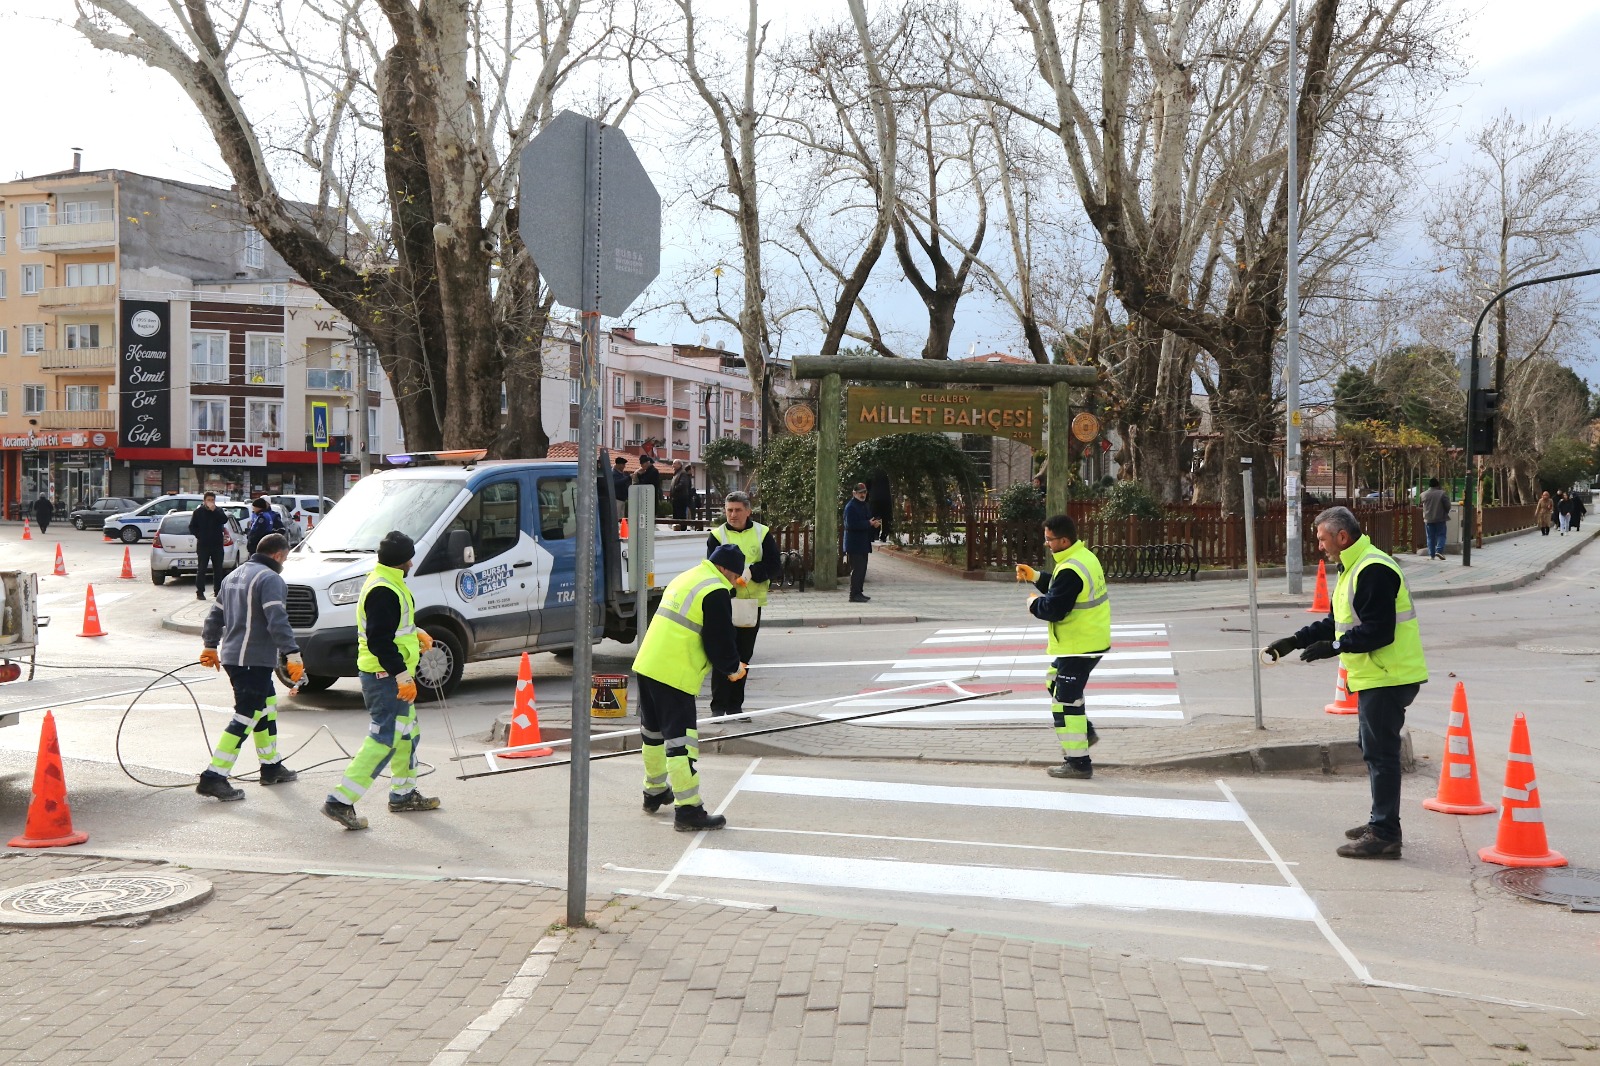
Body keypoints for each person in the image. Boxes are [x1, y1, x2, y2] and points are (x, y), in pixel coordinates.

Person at [1265, 506, 1427, 859]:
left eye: (1322, 539)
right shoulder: (1354, 566)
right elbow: (1335, 621)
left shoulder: (1372, 568)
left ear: (1341, 536)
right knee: (1372, 750)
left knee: (1381, 754)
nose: (1320, 546)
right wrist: (1295, 641)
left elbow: (1378, 632)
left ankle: (1384, 835)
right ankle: (1381, 822)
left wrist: (1334, 647)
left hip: (1388, 675)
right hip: (1377, 675)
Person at [323, 531, 440, 829]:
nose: (412, 563)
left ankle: (402, 795)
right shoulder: (384, 590)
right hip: (385, 677)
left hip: (391, 675)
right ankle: (340, 800)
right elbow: (379, 641)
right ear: (403, 560)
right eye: (410, 558)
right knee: (384, 739)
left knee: (407, 735)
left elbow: (394, 627)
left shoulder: (387, 582)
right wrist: (402, 676)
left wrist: (417, 632)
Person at [633, 544, 747, 832]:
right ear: (726, 569)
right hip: (674, 674)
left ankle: (654, 791)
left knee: (653, 734)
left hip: (648, 665)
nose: (734, 583)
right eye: (735, 577)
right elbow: (719, 640)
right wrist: (734, 669)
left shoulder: (688, 577)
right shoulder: (715, 589)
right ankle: (688, 810)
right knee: (680, 742)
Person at [194, 532, 302, 801]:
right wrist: (293, 653)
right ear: (278, 555)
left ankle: (271, 766)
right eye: (285, 557)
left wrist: (210, 645)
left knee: (266, 709)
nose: (284, 561)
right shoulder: (270, 578)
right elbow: (277, 619)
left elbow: (215, 615)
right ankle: (213, 777)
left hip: (234, 658)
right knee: (246, 716)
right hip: (252, 660)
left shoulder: (233, 576)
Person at [1016, 514, 1105, 780]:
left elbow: (1055, 608)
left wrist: (1033, 604)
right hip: (1086, 641)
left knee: (1066, 701)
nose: (1046, 544)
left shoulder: (1070, 569)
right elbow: (1060, 589)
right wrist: (1035, 576)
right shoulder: (1081, 558)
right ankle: (1085, 732)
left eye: (1049, 539)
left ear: (1063, 540)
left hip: (1080, 644)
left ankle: (1078, 763)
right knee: (1054, 681)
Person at [706, 491, 779, 718]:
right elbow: (711, 569)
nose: (733, 515)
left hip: (750, 605)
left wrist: (754, 572)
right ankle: (718, 707)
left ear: (748, 511)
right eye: (729, 510)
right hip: (724, 604)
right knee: (722, 653)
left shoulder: (762, 533)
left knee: (743, 656)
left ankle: (735, 707)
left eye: (738, 510)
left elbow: (775, 566)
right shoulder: (717, 536)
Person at [842, 482, 881, 603]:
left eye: (864, 492)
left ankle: (859, 592)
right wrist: (868, 523)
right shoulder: (851, 507)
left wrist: (874, 523)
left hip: (863, 542)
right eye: (860, 493)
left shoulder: (864, 505)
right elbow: (850, 525)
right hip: (854, 543)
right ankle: (853, 594)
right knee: (857, 569)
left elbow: (868, 519)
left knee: (862, 569)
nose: (863, 495)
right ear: (854, 493)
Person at [190, 491, 230, 601]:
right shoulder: (198, 512)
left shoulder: (218, 510)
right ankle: (200, 592)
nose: (210, 502)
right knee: (202, 569)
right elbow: (192, 527)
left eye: (212, 500)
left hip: (217, 544)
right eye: (208, 500)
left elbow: (224, 520)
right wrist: (200, 535)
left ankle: (217, 591)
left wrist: (215, 511)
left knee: (218, 569)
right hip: (203, 545)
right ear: (204, 501)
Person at [1419, 478, 1450, 559]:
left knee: (1430, 537)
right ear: (1437, 485)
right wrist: (1445, 512)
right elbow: (1448, 506)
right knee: (1441, 535)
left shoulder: (1423, 494)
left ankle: (1432, 555)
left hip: (1428, 519)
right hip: (1440, 518)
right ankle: (1439, 551)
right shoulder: (1442, 493)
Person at [670, 461, 695, 527]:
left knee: (680, 515)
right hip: (676, 498)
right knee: (676, 515)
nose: (673, 465)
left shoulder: (682, 473)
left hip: (680, 498)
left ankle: (682, 528)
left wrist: (675, 489)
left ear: (679, 464)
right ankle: (677, 527)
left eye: (674, 464)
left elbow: (682, 484)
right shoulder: (677, 473)